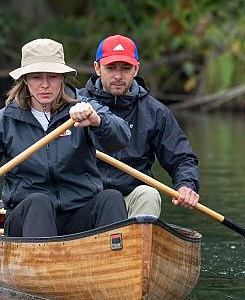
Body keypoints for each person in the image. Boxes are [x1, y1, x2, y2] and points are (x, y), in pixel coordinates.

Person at [0, 38, 130, 237]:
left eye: (52, 77)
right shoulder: (4, 121)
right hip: (27, 218)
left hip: (79, 213)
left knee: (111, 197)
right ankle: (42, 265)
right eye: (37, 77)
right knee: (39, 201)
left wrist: (98, 121)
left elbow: (121, 138)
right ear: (25, 79)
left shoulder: (84, 109)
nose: (45, 85)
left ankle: (115, 261)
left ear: (62, 78)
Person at [79, 34, 199, 218]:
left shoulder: (156, 112)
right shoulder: (75, 104)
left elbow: (181, 158)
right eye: (110, 68)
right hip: (86, 199)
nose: (118, 76)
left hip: (132, 198)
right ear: (97, 68)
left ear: (136, 69)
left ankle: (138, 244)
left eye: (126, 68)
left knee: (149, 194)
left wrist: (186, 185)